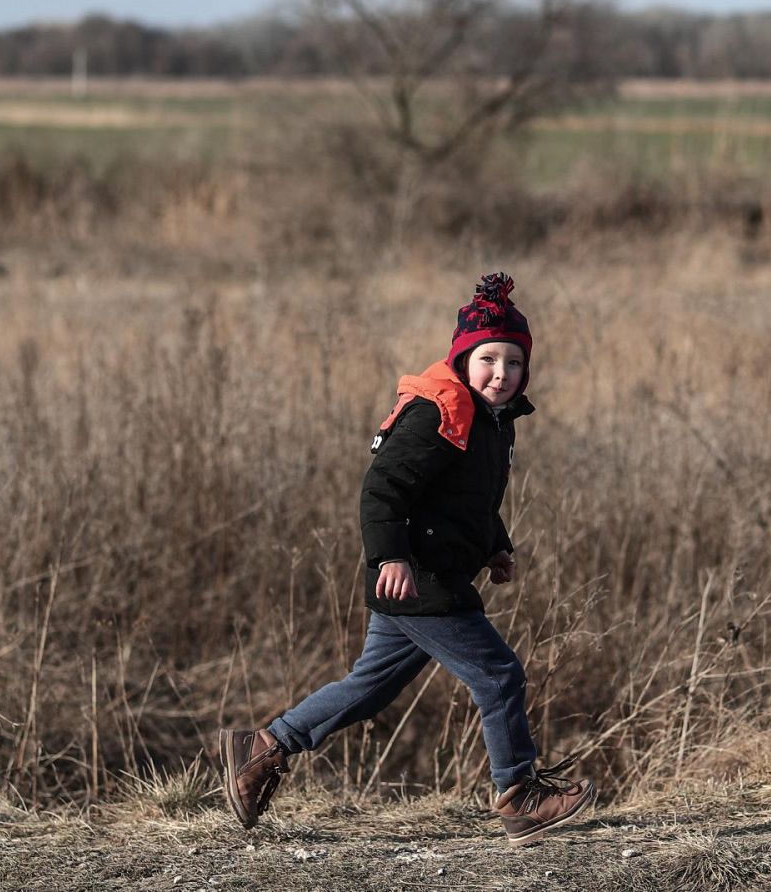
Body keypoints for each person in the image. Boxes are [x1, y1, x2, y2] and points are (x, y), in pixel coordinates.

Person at [219, 272, 596, 846]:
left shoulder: (492, 420)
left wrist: (496, 545)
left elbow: (468, 499)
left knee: (370, 688)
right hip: (419, 576)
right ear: (463, 361)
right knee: (498, 674)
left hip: (429, 573)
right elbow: (382, 491)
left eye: (514, 362)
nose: (502, 374)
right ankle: (520, 794)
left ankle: (264, 747)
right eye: (488, 359)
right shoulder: (438, 414)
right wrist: (389, 558)